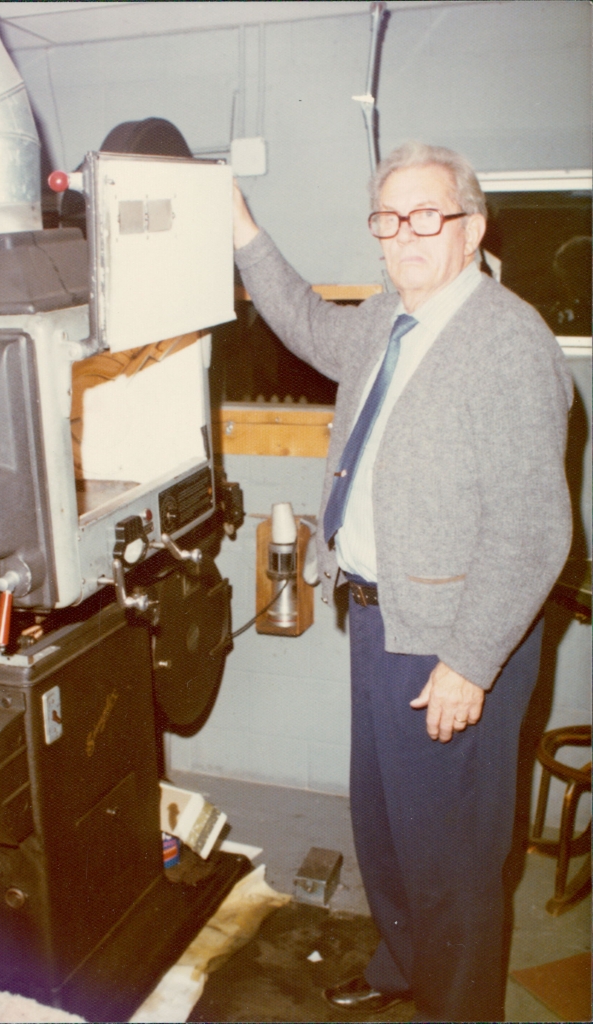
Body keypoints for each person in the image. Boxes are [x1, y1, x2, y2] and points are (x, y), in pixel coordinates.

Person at [232, 141, 572, 1023]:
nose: (403, 235)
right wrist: (241, 232)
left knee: (453, 858)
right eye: (387, 219)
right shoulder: (390, 316)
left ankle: (456, 1008)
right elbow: (306, 323)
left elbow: (533, 531)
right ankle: (400, 967)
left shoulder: (507, 342)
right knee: (385, 828)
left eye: (426, 215)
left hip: (453, 639)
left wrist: (468, 663)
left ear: (472, 226)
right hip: (380, 621)